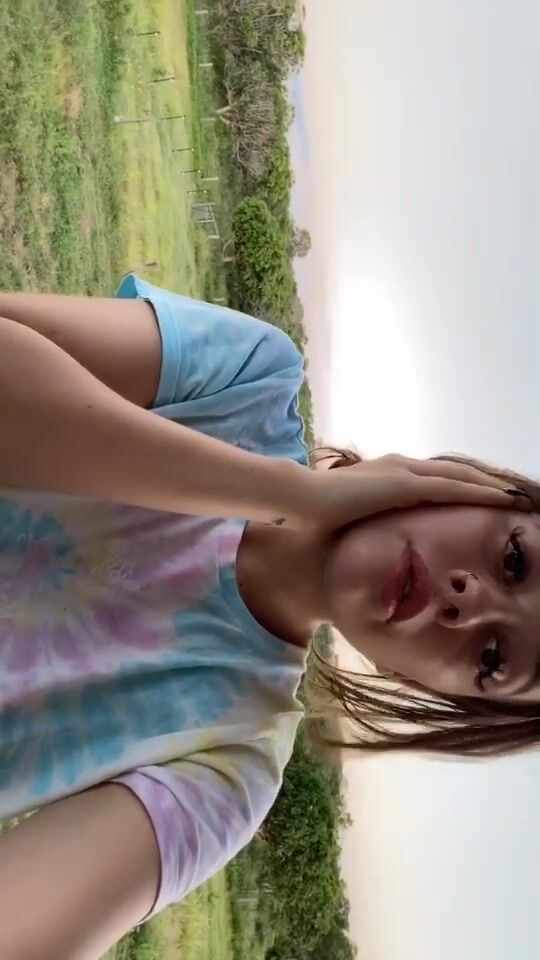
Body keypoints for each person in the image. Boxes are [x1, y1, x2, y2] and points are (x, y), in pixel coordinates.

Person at [0, 274, 535, 959]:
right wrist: (289, 493)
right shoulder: (247, 379)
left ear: (432, 688)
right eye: (515, 560)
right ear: (485, 493)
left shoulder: (227, 775)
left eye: (492, 658)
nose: (468, 602)